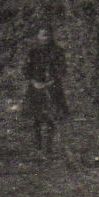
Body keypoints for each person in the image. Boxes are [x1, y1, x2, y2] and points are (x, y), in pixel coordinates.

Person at [20, 25, 68, 155]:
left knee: (51, 116)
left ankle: (48, 147)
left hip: (53, 87)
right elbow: (26, 69)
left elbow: (62, 69)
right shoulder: (32, 52)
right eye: (42, 35)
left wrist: (51, 81)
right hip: (35, 88)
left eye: (47, 35)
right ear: (38, 36)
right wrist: (34, 82)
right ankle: (37, 146)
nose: (45, 38)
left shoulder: (57, 51)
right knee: (36, 117)